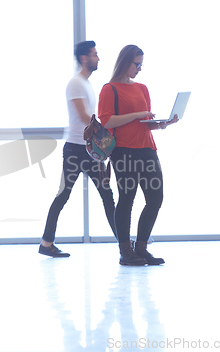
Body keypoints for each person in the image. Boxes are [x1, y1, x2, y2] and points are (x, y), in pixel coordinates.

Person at [98, 45, 178, 266]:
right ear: (125, 62)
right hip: (123, 151)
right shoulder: (109, 89)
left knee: (155, 198)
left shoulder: (142, 88)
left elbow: (143, 124)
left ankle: (141, 248)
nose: (140, 69)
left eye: (141, 64)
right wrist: (137, 114)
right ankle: (126, 251)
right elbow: (106, 121)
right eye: (137, 64)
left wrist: (162, 124)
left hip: (146, 148)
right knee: (126, 200)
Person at [39, 41, 117, 257]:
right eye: (95, 54)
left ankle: (123, 243)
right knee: (63, 195)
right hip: (76, 149)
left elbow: (89, 118)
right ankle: (46, 244)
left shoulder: (86, 83)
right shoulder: (75, 83)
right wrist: (106, 135)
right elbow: (84, 117)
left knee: (107, 195)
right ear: (84, 58)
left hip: (90, 150)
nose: (98, 58)